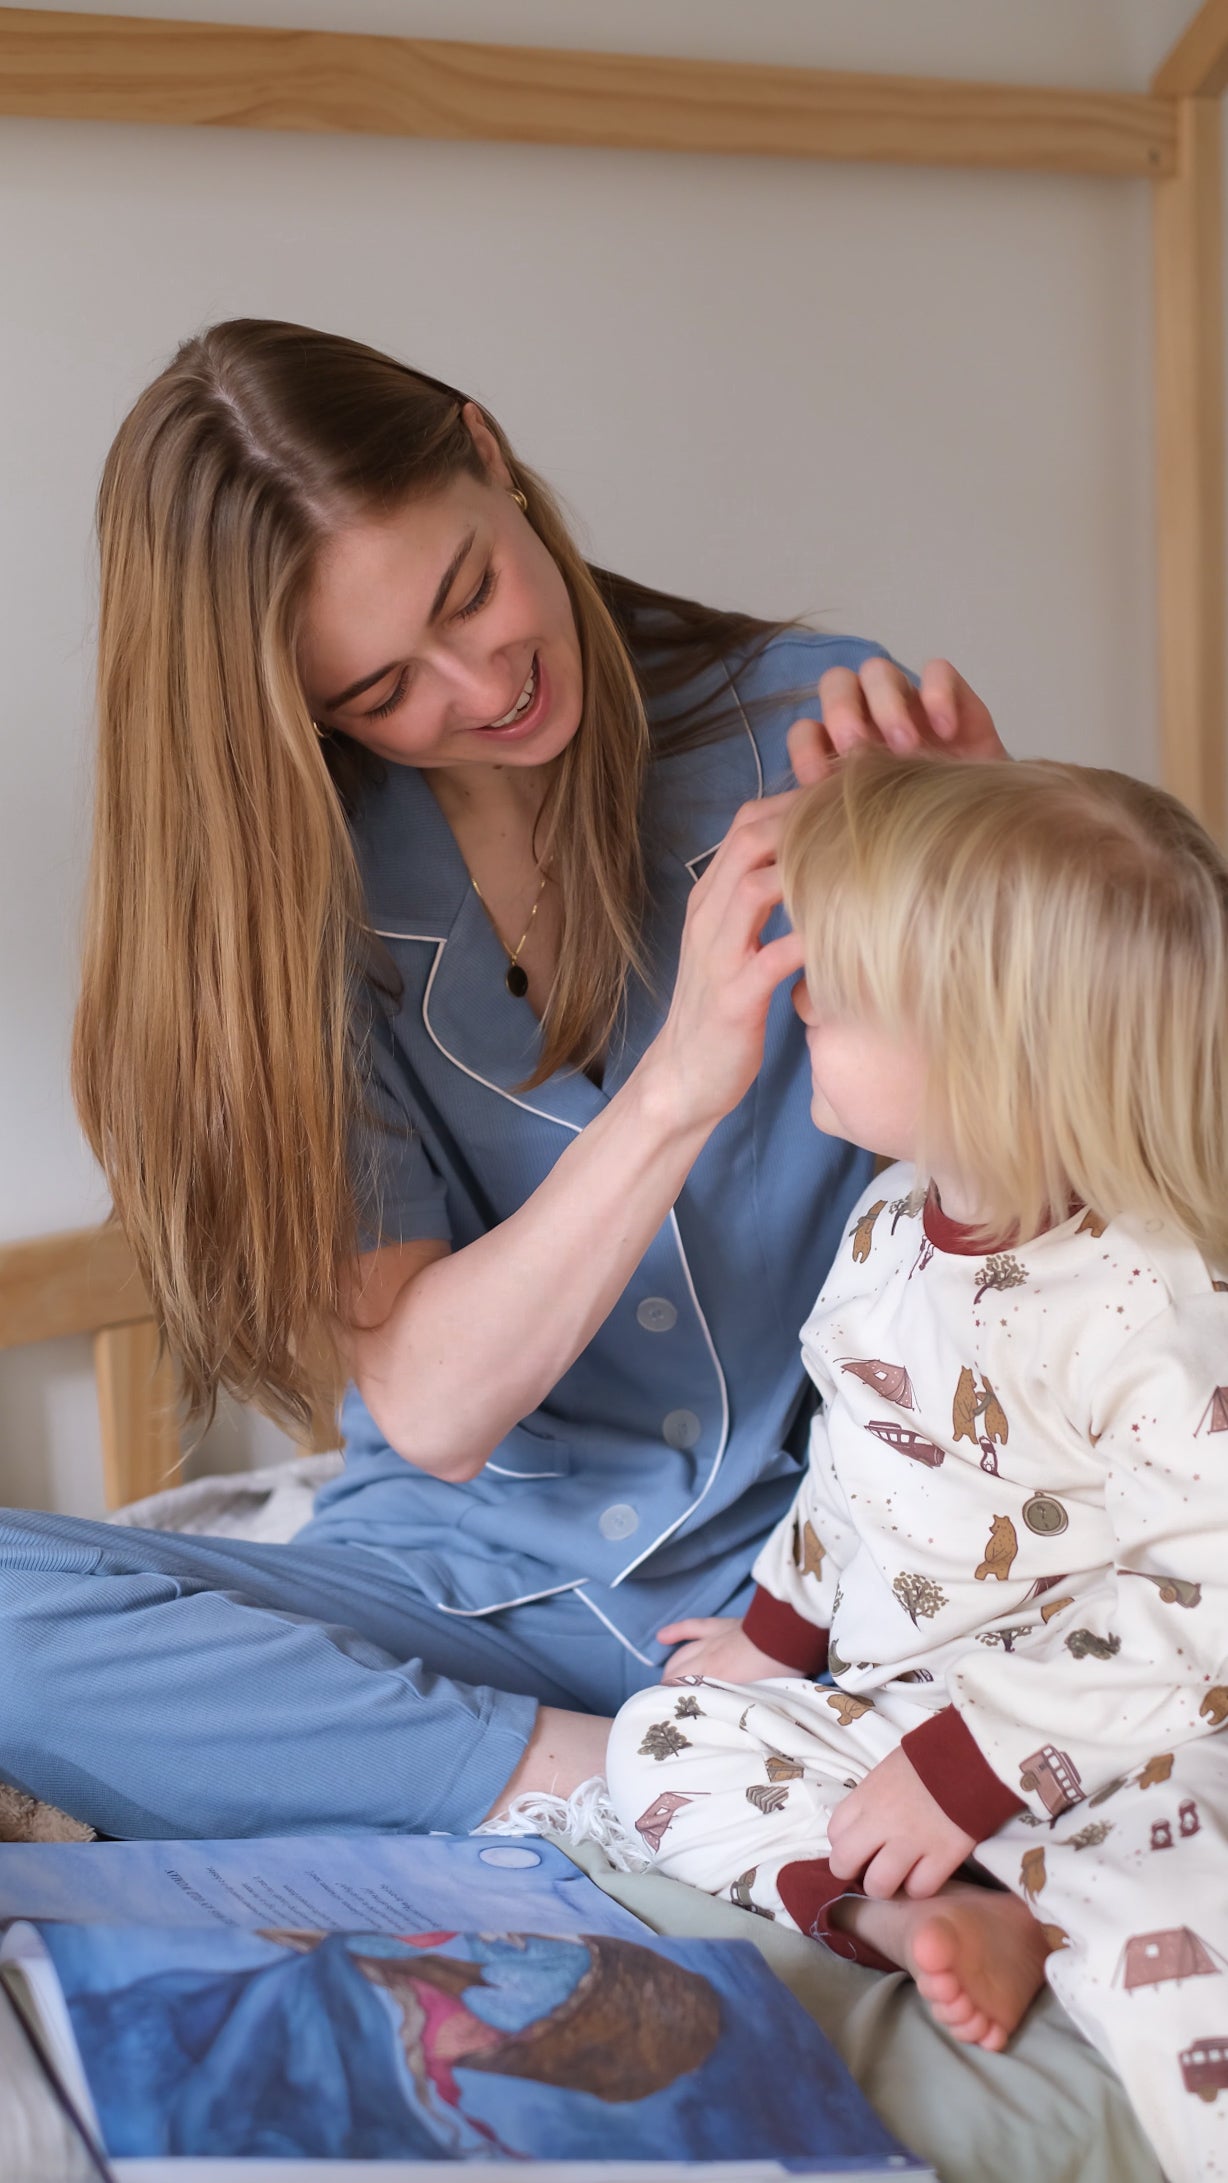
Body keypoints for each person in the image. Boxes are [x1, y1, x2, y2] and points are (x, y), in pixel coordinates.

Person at [0, 319, 1002, 1842]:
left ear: (487, 453)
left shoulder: (815, 730)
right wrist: (679, 1085)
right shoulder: (295, 910)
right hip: (470, 1599)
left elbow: (1063, 1180)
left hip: (834, 1585)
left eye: (468, 590)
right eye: (380, 688)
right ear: (295, 712)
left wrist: (1009, 915)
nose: (482, 685)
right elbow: (434, 1410)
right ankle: (606, 1787)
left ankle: (603, 1780)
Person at [606, 749, 1228, 2183]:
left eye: (851, 990)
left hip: (1119, 1734)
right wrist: (777, 1639)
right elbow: (860, 1464)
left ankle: (1012, 1893)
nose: (802, 995)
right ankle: (918, 1915)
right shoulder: (891, 1225)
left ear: (999, 1061)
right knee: (661, 1744)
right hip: (910, 1715)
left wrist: (975, 1765)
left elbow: (1200, 1604)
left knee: (1174, 1957)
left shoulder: (1145, 1299)